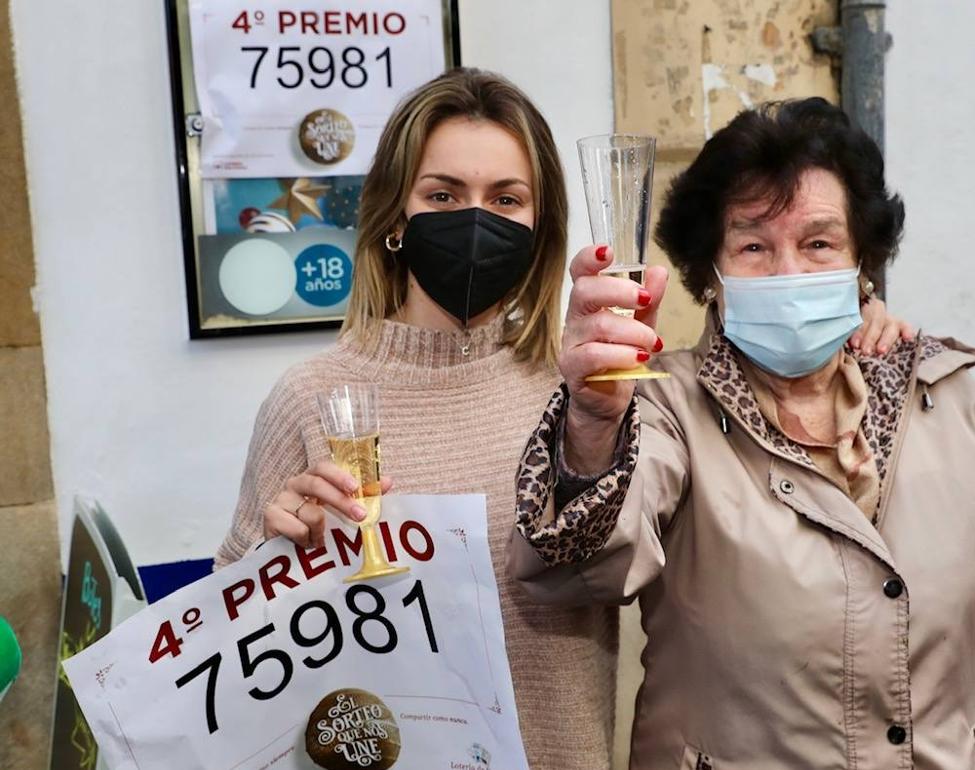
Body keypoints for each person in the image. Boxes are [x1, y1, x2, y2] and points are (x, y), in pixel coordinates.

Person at [215, 70, 914, 769]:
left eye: (506, 199)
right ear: (396, 216)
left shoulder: (589, 385)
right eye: (443, 194)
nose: (475, 218)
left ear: (539, 226)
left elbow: (737, 438)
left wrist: (855, 327)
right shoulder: (315, 398)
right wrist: (273, 556)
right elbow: (227, 643)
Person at [511, 97, 975, 769]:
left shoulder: (948, 401)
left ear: (864, 263)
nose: (790, 273)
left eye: (819, 242)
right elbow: (577, 570)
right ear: (709, 275)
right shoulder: (665, 411)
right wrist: (592, 422)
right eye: (753, 246)